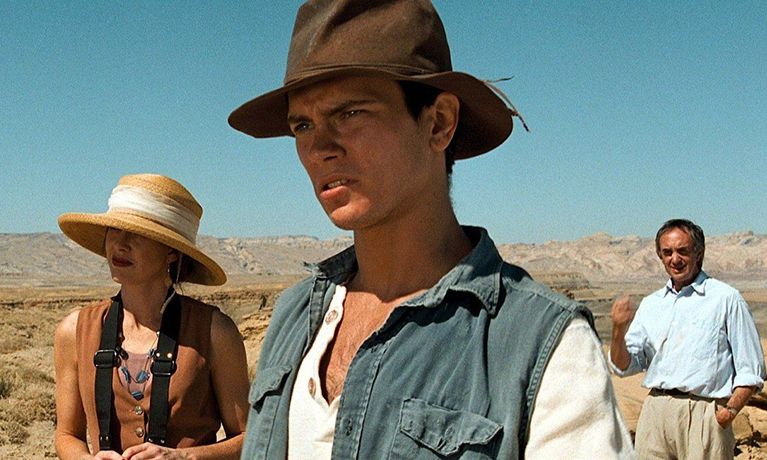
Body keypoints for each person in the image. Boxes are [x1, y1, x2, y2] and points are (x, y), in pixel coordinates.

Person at [229, 1, 634, 458]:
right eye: (302, 124)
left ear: (438, 123)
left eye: (350, 114)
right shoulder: (295, 314)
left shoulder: (540, 344)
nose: (319, 148)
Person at [54, 174, 249, 460]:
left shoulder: (215, 332)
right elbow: (66, 435)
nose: (120, 244)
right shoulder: (75, 330)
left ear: (171, 252)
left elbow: (250, 438)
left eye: (137, 233)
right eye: (114, 229)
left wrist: (184, 458)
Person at [610, 218, 766, 459]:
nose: (675, 259)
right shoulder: (652, 304)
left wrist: (727, 413)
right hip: (655, 413)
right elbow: (624, 366)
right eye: (667, 252)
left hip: (704, 414)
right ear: (659, 256)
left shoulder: (725, 299)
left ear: (699, 253)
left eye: (682, 251)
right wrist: (618, 330)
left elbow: (751, 368)